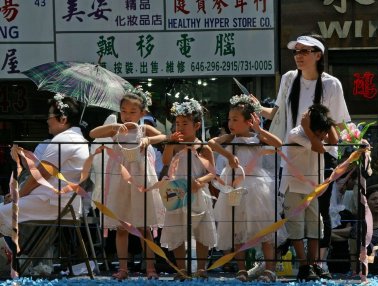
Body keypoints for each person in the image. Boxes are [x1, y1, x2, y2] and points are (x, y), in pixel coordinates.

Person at [259, 33, 351, 277]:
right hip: (293, 154)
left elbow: (341, 122)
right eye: (296, 52)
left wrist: (355, 139)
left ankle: (319, 264)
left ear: (318, 55)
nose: (298, 56)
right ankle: (305, 264)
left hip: (323, 154)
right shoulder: (289, 79)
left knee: (320, 210)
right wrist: (254, 107)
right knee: (295, 210)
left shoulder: (331, 83)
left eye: (304, 51)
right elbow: (276, 114)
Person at [89, 88, 171, 280]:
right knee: (121, 226)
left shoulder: (144, 129)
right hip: (119, 180)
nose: (127, 115)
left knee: (144, 227)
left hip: (141, 179)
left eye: (132, 112)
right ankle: (123, 268)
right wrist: (115, 127)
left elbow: (163, 136)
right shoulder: (116, 129)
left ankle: (150, 268)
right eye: (124, 111)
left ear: (142, 113)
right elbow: (93, 132)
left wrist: (148, 139)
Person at [208, 94, 285, 282]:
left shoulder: (257, 138)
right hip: (234, 188)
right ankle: (241, 269)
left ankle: (270, 269)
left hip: (256, 187)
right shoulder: (230, 137)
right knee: (237, 229)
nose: (231, 123)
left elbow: (278, 144)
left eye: (235, 119)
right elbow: (211, 143)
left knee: (265, 229)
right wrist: (227, 154)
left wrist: (260, 130)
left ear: (249, 121)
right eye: (229, 119)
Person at [0, 94, 89, 254]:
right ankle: (16, 257)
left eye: (49, 116)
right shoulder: (76, 138)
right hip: (59, 203)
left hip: (53, 203)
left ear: (62, 119)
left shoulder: (65, 139)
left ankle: (14, 258)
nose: (47, 120)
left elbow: (39, 176)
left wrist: (17, 195)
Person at [280, 104, 338, 281]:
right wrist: (306, 126)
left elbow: (334, 141)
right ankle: (304, 265)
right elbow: (319, 148)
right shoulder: (296, 133)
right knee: (296, 227)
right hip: (293, 186)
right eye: (320, 132)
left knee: (315, 226)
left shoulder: (316, 134)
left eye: (324, 132)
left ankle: (314, 265)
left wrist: (328, 121)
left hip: (312, 188)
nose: (323, 136)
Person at [160, 99, 216, 280]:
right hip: (177, 191)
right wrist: (170, 142)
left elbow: (212, 173)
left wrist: (200, 181)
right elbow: (165, 161)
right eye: (177, 123)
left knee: (201, 231)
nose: (181, 127)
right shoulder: (175, 144)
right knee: (176, 230)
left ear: (197, 125)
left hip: (198, 192)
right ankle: (181, 268)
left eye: (185, 123)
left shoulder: (203, 147)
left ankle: (201, 268)